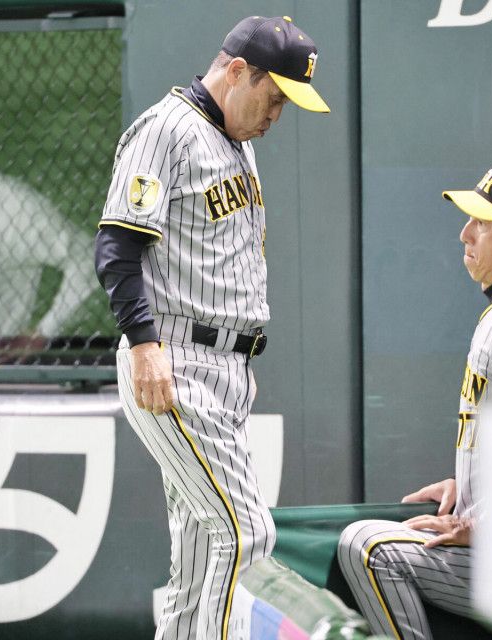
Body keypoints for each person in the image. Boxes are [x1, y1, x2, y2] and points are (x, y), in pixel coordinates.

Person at [94, 16, 329, 640]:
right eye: (272, 97)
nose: (276, 114)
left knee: (199, 557)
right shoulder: (166, 129)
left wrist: (228, 358)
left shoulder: (236, 141)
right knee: (245, 534)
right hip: (173, 358)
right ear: (237, 71)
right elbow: (117, 248)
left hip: (224, 366)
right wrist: (145, 346)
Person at [337, 165, 492, 639]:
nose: (465, 233)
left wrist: (485, 522)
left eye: (483, 223)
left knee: (368, 547)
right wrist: (469, 486)